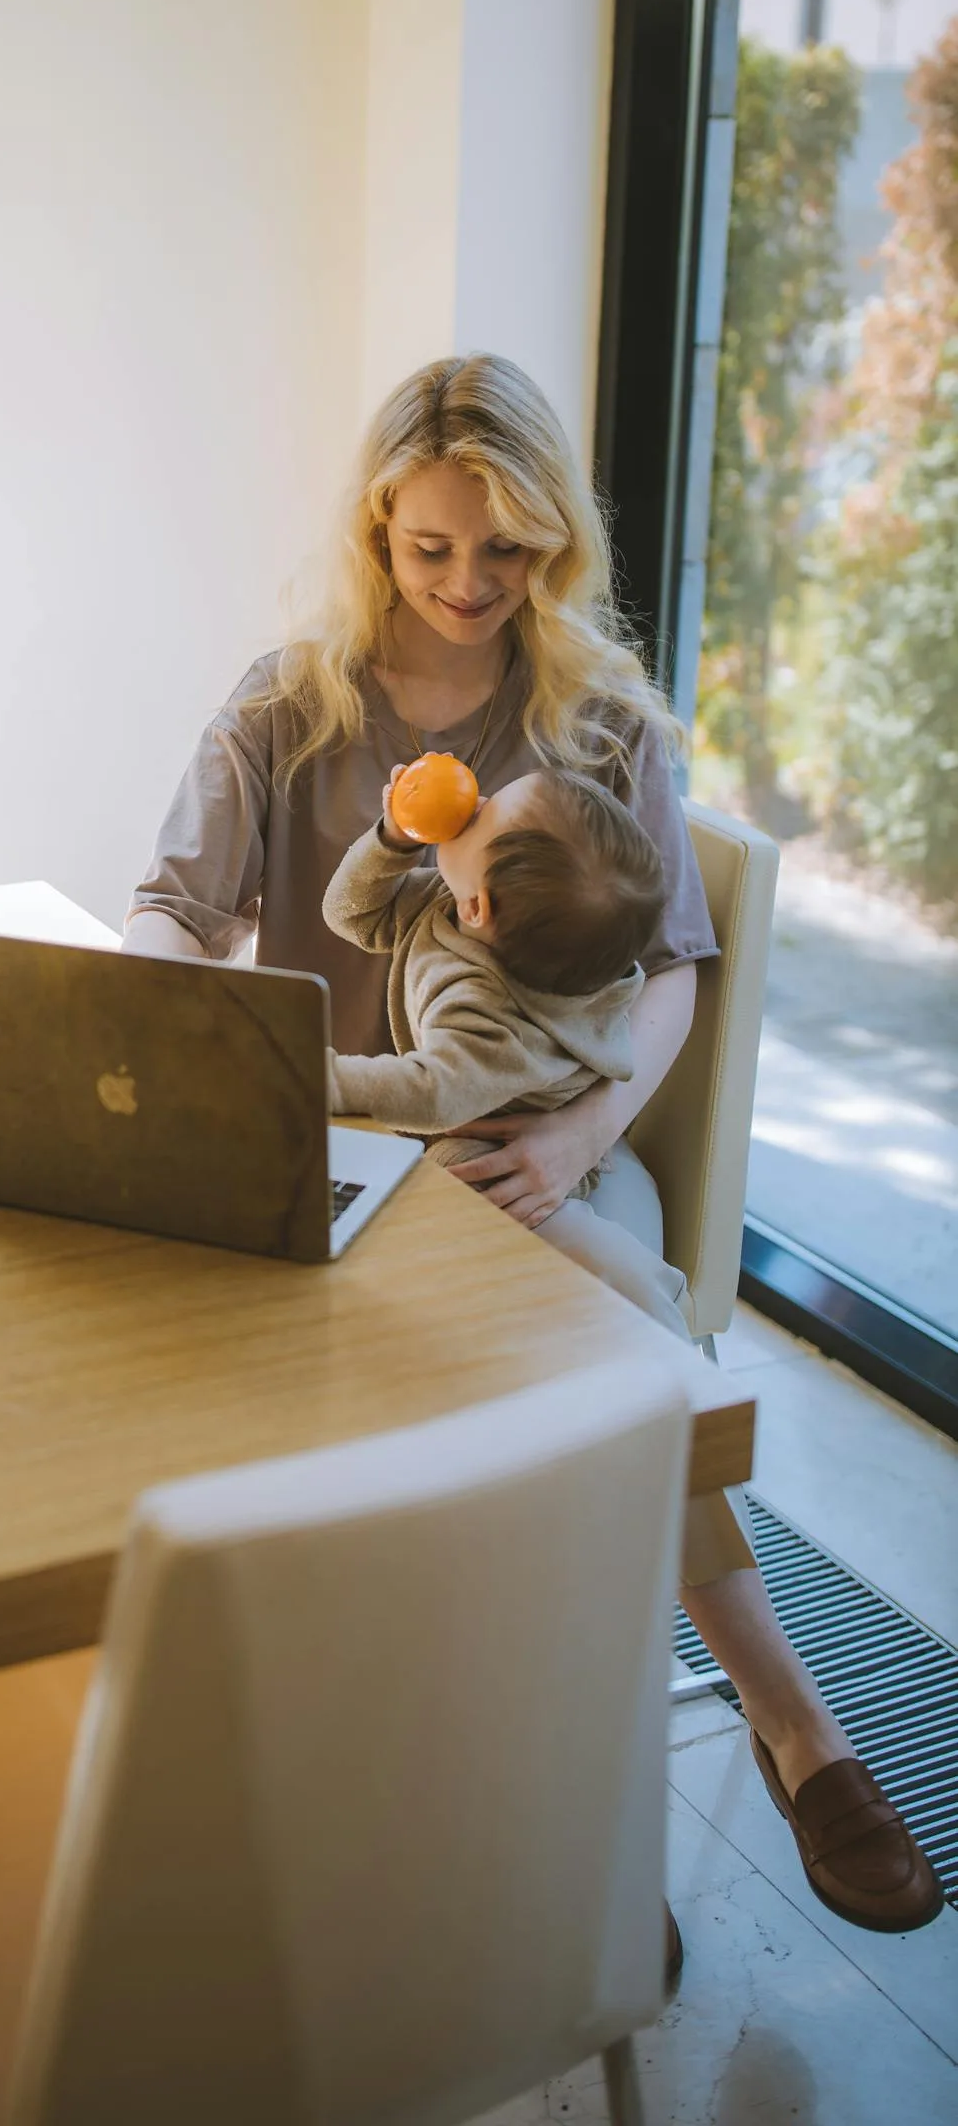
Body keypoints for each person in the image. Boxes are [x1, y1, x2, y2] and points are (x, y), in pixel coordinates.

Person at [126, 351, 940, 1934]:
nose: (468, 584)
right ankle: (488, 1797)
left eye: (505, 550)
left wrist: (575, 1137)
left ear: (554, 536)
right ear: (376, 529)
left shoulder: (599, 718)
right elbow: (173, 909)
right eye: (431, 548)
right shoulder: (283, 705)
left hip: (532, 1153)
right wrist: (177, 1039)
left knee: (609, 1349)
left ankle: (788, 1729)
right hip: (346, 1148)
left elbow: (674, 973)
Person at [321, 764, 694, 1345]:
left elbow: (433, 1090)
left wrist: (320, 1078)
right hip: (485, 1109)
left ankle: (644, 1298)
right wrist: (393, 838)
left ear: (479, 908)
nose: (476, 800)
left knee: (443, 1205)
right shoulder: (464, 908)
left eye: (485, 814)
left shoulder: (490, 1019)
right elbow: (351, 913)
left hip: (500, 1147)